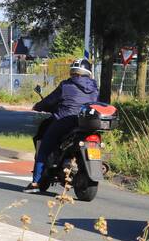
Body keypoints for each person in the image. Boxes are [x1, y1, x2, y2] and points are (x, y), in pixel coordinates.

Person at [25, 57, 99, 192]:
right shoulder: (94, 88)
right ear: (88, 73)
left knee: (44, 147)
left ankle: (36, 183)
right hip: (85, 124)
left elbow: (50, 100)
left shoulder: (66, 86)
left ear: (73, 72)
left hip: (64, 121)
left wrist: (38, 106)